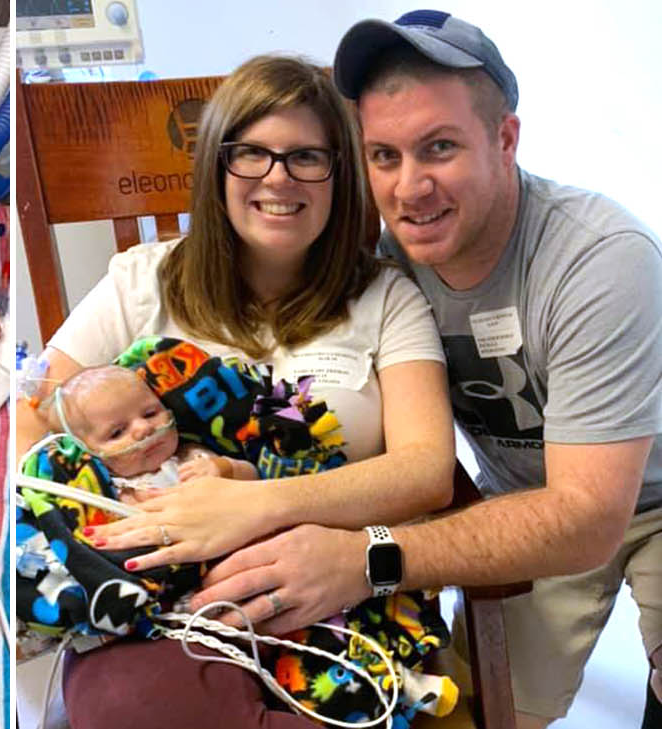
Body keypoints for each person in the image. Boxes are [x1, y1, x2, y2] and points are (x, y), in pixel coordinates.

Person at [187, 11, 662, 729]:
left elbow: (588, 517)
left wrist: (365, 558)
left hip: (645, 496)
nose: (410, 189)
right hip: (522, 498)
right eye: (384, 156)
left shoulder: (601, 260)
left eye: (439, 148)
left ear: (505, 139)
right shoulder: (384, 266)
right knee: (467, 712)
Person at [15, 54, 455, 728]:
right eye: (252, 154)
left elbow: (427, 471)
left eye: (307, 156)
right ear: (216, 168)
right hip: (159, 599)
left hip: (329, 582)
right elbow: (31, 415)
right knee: (129, 705)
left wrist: (249, 502)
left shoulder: (386, 298)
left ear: (341, 176)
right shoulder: (144, 280)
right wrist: (115, 518)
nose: (278, 178)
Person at [40, 363, 259, 493]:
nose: (143, 428)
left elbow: (254, 479)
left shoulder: (191, 457)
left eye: (150, 413)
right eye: (117, 432)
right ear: (86, 452)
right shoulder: (108, 488)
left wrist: (223, 468)